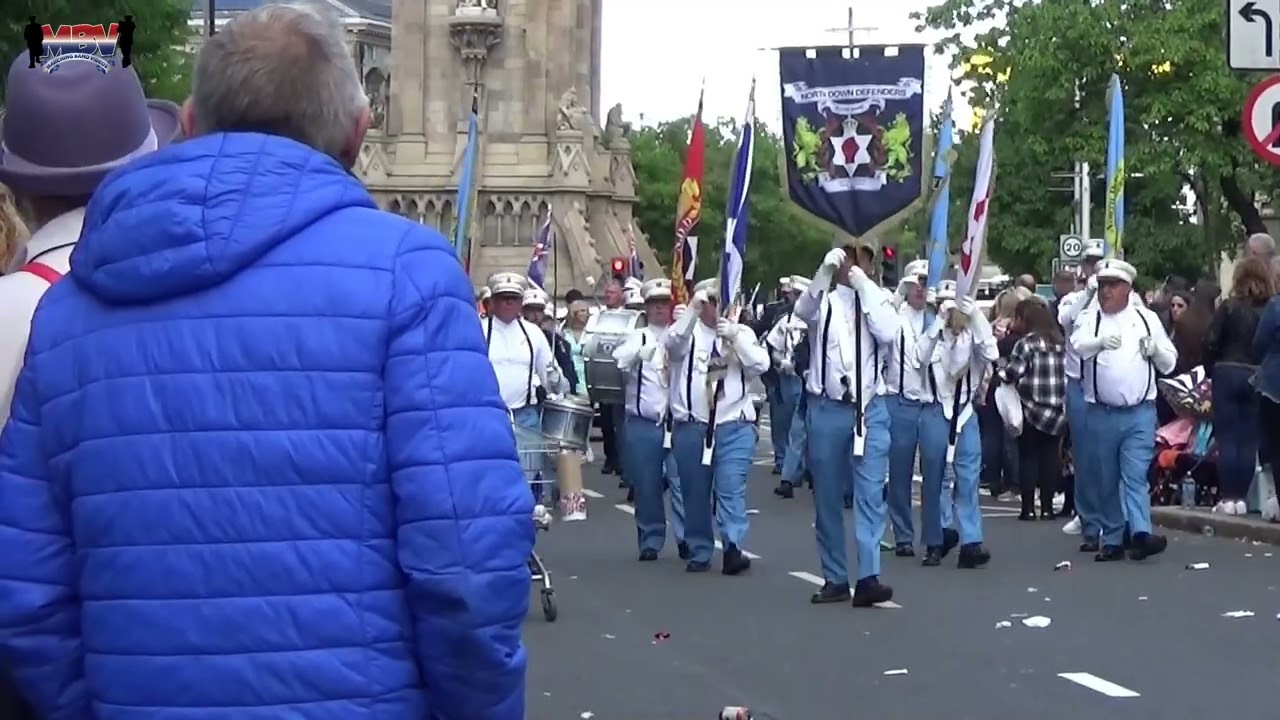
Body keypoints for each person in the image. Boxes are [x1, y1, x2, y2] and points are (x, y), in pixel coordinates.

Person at [0, 5, 534, 718]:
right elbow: (466, 565)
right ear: (358, 131)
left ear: (187, 123)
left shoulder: (68, 311)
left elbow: (27, 588)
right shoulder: (410, 276)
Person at [794, 244, 898, 604]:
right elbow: (801, 311)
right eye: (849, 257)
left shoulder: (877, 299)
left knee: (871, 494)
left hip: (870, 408)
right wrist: (824, 272)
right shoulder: (822, 299)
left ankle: (869, 575)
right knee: (827, 495)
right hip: (827, 407)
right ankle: (835, 576)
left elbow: (888, 332)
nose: (855, 264)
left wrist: (862, 283)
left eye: (863, 258)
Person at [1072, 259, 1174, 562]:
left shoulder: (1146, 319)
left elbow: (1169, 362)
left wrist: (1155, 351)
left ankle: (1141, 532)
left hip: (1139, 411)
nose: (1106, 292)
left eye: (1113, 285)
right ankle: (1113, 537)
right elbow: (1078, 346)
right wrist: (1098, 343)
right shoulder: (1091, 318)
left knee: (1135, 474)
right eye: (1102, 285)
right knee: (1107, 477)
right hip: (1102, 411)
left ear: (1127, 288)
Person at [663, 278, 768, 574]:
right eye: (710, 302)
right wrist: (691, 311)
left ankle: (733, 546)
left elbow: (761, 364)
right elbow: (672, 347)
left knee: (730, 488)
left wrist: (735, 337)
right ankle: (699, 549)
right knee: (694, 492)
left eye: (719, 301)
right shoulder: (687, 331)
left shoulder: (741, 332)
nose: (715, 308)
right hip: (692, 426)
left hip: (733, 424)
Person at [917, 289, 998, 568]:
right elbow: (919, 356)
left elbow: (992, 351)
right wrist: (938, 322)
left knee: (968, 479)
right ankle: (936, 538)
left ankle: (971, 542)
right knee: (934, 478)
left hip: (964, 414)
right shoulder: (932, 337)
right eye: (946, 307)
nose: (953, 315)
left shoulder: (973, 340)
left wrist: (976, 315)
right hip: (935, 410)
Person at [614, 278, 688, 561]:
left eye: (664, 304)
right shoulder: (638, 335)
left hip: (676, 420)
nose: (660, 309)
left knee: (682, 482)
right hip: (645, 422)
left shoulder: (679, 334)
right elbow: (619, 360)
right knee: (647, 484)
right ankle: (651, 538)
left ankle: (686, 538)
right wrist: (636, 355)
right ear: (646, 307)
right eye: (655, 304)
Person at [1204, 258, 1272, 514]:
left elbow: (1210, 340)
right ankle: (1242, 498)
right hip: (1257, 373)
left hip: (1227, 370)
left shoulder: (1228, 307)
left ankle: (1229, 496)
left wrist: (1212, 368)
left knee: (1228, 436)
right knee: (1249, 437)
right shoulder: (1269, 309)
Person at [998, 299, 1067, 520]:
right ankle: (1047, 507)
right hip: (1057, 409)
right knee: (1049, 457)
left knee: (1028, 457)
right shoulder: (1060, 343)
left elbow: (1013, 373)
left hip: (1031, 407)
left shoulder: (1026, 344)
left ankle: (1028, 508)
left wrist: (1000, 373)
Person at [1057, 239, 1105, 542]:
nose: (1094, 269)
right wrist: (1088, 294)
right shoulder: (1072, 300)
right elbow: (1067, 321)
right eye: (1090, 263)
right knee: (1086, 456)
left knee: (1110, 455)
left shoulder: (1130, 302)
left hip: (1111, 386)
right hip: (1079, 385)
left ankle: (1114, 518)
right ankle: (1088, 518)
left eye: (1098, 263)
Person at [883, 260, 929, 555]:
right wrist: (897, 297)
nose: (920, 288)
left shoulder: (939, 317)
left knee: (937, 473)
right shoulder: (894, 316)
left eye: (925, 281)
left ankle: (936, 536)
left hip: (932, 405)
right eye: (915, 282)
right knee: (899, 474)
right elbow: (877, 326)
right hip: (899, 402)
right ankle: (902, 535)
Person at [763, 277, 805, 483]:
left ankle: (796, 471)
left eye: (798, 295)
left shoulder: (819, 319)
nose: (793, 299)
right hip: (788, 379)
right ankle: (785, 465)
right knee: (785, 423)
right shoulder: (784, 320)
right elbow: (772, 346)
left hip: (806, 379)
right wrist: (781, 363)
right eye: (792, 295)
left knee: (801, 428)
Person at [597, 279, 626, 476]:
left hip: (621, 374)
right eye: (607, 292)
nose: (609, 296)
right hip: (603, 374)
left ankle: (625, 463)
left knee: (622, 424)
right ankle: (610, 458)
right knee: (606, 422)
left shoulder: (628, 316)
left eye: (612, 292)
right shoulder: (599, 317)